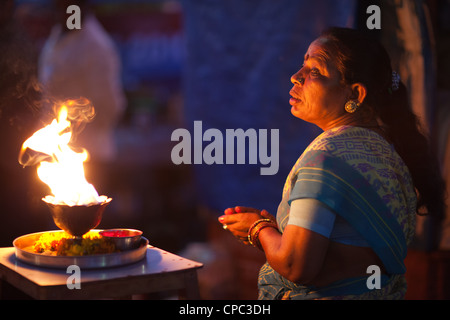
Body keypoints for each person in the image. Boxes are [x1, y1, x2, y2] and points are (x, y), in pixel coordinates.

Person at [218, 27, 446, 300]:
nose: (295, 76)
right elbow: (347, 255)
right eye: (303, 65)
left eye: (314, 71)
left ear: (355, 94)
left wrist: (258, 229)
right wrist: (280, 234)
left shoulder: (326, 158)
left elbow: (296, 265)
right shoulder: (387, 155)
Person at [38, 0, 126, 195]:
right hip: (58, 156)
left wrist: (78, 124)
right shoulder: (60, 34)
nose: (61, 11)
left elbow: (110, 105)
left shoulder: (96, 46)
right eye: (59, 6)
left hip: (91, 158)